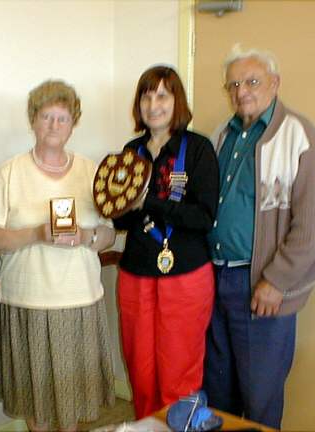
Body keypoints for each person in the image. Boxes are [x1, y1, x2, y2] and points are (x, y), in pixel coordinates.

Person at [204, 46, 315, 429]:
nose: (241, 91)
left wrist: (276, 281)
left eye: (252, 81)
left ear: (275, 83)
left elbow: (312, 225)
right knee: (219, 391)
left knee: (260, 397)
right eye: (233, 85)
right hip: (216, 279)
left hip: (260, 285)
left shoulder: (298, 135)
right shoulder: (222, 135)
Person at [0, 80, 116, 432]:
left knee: (73, 403)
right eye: (46, 117)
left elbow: (108, 234)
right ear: (33, 120)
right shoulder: (10, 172)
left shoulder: (91, 172)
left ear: (73, 123)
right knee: (36, 404)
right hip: (28, 303)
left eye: (62, 118)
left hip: (79, 301)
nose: (54, 125)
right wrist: (36, 234)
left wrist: (86, 236)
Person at [112, 66, 219, 419]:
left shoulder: (199, 149)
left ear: (177, 102)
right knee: (141, 373)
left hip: (185, 276)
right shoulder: (131, 151)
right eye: (146, 96)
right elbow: (122, 221)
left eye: (162, 95)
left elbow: (203, 217)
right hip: (136, 273)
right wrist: (116, 204)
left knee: (179, 374)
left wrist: (149, 202)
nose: (153, 104)